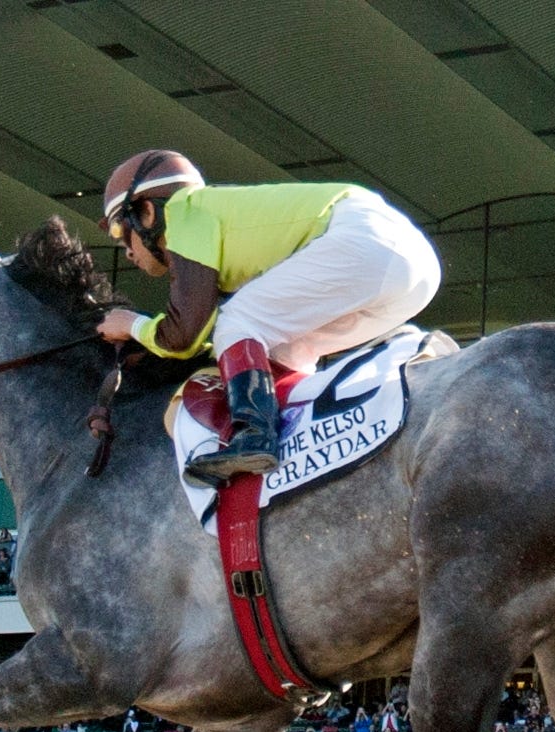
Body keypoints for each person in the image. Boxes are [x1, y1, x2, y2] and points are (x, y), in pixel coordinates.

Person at [93, 149, 443, 488]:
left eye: (120, 231)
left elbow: (184, 335)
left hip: (366, 243)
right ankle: (300, 447)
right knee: (285, 349)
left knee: (237, 320)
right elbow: (204, 338)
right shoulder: (219, 221)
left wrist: (130, 324)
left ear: (148, 213)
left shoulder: (186, 211)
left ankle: (255, 436)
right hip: (416, 270)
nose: (126, 250)